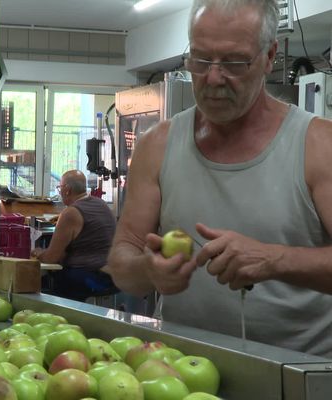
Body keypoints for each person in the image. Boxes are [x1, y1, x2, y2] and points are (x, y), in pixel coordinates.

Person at [104, 0, 332, 357]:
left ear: (269, 56)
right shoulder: (158, 145)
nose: (212, 78)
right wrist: (148, 269)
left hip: (295, 379)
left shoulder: (319, 146)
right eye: (200, 59)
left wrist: (273, 260)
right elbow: (122, 261)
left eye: (234, 62)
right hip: (176, 374)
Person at [32, 170, 117, 302]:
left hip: (91, 277)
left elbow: (51, 258)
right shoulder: (102, 204)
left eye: (60, 188)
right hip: (113, 275)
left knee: (43, 284)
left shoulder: (71, 213)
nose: (59, 192)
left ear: (67, 190)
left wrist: (37, 253)